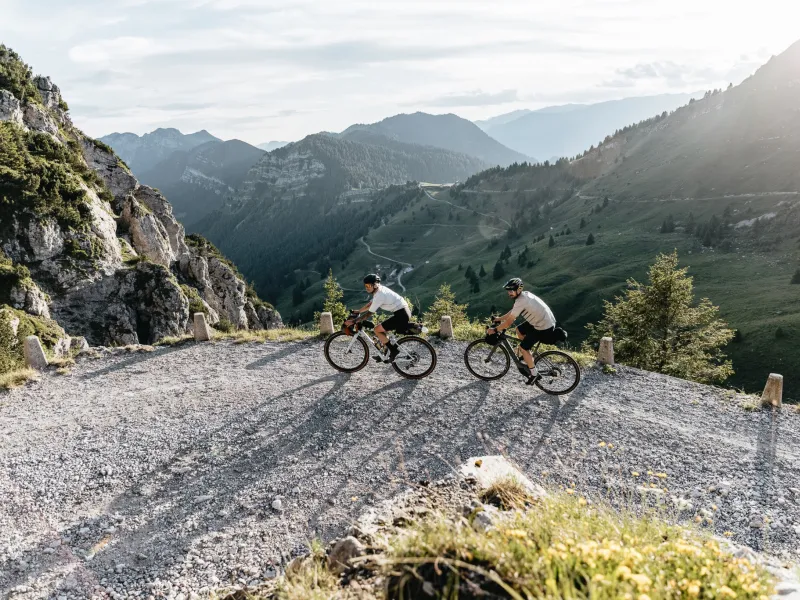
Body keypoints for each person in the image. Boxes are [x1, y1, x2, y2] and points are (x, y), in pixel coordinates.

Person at [487, 277, 557, 384]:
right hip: (543, 320)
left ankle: (534, 374)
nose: (509, 293)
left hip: (543, 326)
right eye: (508, 291)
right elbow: (513, 311)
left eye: (512, 290)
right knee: (519, 330)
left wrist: (495, 329)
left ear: (518, 290)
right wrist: (499, 319)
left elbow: (508, 323)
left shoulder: (521, 300)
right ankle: (526, 356)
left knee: (523, 348)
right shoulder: (524, 296)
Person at [345, 274, 411, 362]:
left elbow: (369, 314)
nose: (367, 288)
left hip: (401, 315)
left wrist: (353, 321)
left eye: (369, 286)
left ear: (375, 285)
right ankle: (385, 352)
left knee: (377, 329)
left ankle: (394, 351)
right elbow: (370, 304)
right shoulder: (379, 291)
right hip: (401, 312)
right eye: (365, 285)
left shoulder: (380, 295)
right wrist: (359, 311)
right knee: (382, 330)